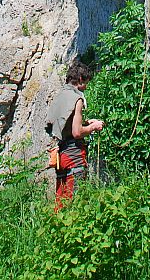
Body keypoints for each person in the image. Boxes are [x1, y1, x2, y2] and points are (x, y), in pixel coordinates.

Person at [45, 60, 104, 209]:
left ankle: (56, 228)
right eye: (86, 83)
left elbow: (64, 123)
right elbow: (76, 132)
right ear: (80, 80)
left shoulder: (61, 95)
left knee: (61, 200)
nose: (86, 87)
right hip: (74, 156)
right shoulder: (77, 99)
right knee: (76, 201)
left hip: (61, 154)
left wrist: (86, 123)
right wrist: (93, 127)